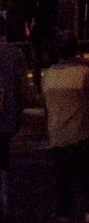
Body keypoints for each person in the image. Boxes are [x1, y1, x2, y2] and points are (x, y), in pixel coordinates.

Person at [41, 31, 89, 221]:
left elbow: (46, 109)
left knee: (63, 193)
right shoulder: (83, 74)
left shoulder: (48, 76)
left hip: (58, 139)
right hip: (82, 138)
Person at [0, 17, 26, 221]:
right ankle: (6, 202)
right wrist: (18, 112)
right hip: (6, 115)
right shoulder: (15, 54)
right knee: (4, 158)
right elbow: (21, 88)